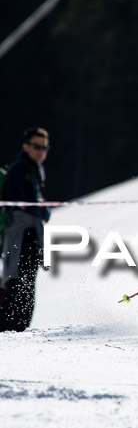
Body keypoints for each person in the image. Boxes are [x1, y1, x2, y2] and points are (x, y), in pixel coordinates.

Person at [0, 127, 51, 332]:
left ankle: (16, 325)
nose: (41, 151)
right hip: (19, 233)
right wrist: (41, 209)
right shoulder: (21, 168)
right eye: (37, 146)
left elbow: (40, 210)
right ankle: (8, 325)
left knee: (27, 280)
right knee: (17, 280)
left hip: (32, 232)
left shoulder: (35, 169)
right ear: (25, 146)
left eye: (44, 147)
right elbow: (36, 206)